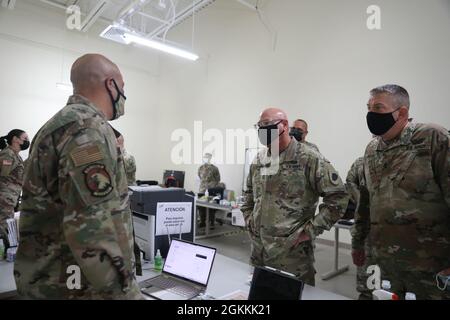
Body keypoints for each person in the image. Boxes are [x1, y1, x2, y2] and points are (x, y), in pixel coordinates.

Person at [14, 54, 143, 299]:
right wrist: (127, 294)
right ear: (111, 84)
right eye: (123, 87)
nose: (124, 96)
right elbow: (92, 230)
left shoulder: (59, 124)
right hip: (71, 287)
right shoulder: (87, 129)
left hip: (51, 278)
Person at [353, 84, 450, 299]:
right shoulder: (372, 149)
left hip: (428, 265)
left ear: (402, 113)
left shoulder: (433, 138)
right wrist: (357, 242)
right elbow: (366, 201)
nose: (371, 114)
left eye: (378, 108)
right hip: (381, 261)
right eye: (368, 108)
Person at [241, 107, 349, 285]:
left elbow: (338, 197)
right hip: (259, 250)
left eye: (267, 124)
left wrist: (311, 230)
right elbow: (248, 194)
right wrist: (249, 219)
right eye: (259, 125)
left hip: (292, 255)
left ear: (284, 125)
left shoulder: (309, 158)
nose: (262, 130)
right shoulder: (259, 160)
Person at [346, 156, 372, 299]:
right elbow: (350, 182)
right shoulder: (362, 162)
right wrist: (359, 198)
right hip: (368, 234)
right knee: (368, 289)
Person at [0, 129, 29, 250]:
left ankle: (7, 250)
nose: (27, 141)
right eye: (25, 139)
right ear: (15, 139)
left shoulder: (16, 155)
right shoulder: (8, 154)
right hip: (4, 197)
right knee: (4, 225)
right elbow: (3, 174)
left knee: (7, 224)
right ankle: (6, 251)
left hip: (11, 197)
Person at [198, 153, 221, 229]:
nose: (205, 159)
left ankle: (212, 223)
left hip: (211, 190)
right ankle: (202, 221)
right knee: (201, 207)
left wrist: (212, 185)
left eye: (207, 157)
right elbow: (200, 177)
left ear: (210, 158)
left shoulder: (214, 168)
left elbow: (218, 179)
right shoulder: (200, 168)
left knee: (211, 207)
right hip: (202, 190)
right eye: (204, 157)